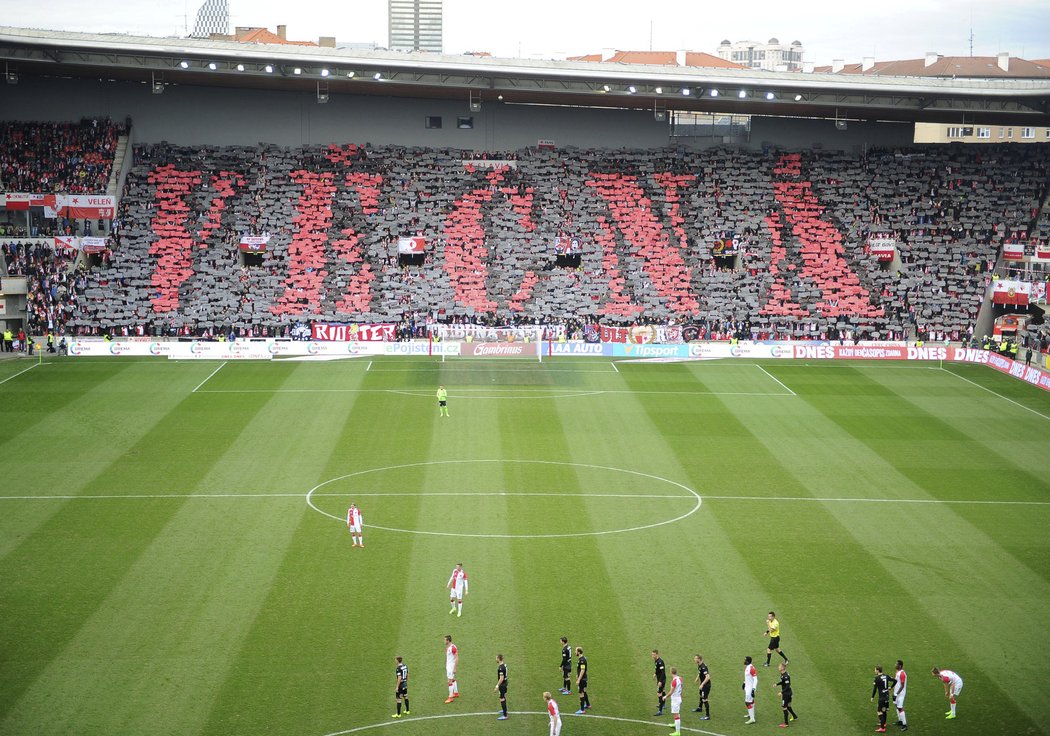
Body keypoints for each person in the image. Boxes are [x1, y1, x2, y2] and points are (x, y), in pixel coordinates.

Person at [872, 664, 894, 732]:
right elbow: (895, 681)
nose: (874, 671)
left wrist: (872, 697)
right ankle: (883, 723)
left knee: (879, 712)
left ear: (878, 670)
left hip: (881, 698)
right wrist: (891, 687)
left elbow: (875, 689)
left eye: (875, 669)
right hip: (886, 697)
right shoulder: (886, 676)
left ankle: (882, 728)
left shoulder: (877, 678)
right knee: (884, 711)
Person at [662, 666, 683, 735]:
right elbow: (681, 687)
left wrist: (665, 697)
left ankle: (677, 732)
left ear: (671, 672)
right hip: (678, 697)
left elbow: (671, 692)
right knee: (676, 713)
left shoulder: (674, 681)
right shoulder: (680, 678)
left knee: (676, 714)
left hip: (675, 699)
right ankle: (675, 724)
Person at [775, 662, 797, 728]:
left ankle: (786, 723)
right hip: (788, 693)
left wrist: (781, 692)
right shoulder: (782, 674)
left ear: (782, 668)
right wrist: (777, 684)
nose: (778, 667)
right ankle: (795, 716)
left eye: (779, 666)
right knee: (788, 706)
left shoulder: (786, 676)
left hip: (786, 694)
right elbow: (783, 682)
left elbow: (788, 686)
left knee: (784, 707)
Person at [693, 654, 711, 719]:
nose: (694, 660)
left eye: (695, 658)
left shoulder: (703, 667)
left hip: (706, 685)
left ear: (699, 659)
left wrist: (702, 684)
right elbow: (700, 672)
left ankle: (707, 715)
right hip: (703, 684)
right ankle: (700, 708)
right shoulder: (700, 665)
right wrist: (697, 678)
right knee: (701, 694)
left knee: (704, 699)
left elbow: (708, 677)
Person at [575, 646, 590, 714]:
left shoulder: (582, 660)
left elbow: (582, 670)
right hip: (583, 678)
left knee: (581, 693)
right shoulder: (581, 659)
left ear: (578, 652)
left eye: (576, 651)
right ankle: (588, 704)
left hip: (582, 680)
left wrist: (578, 679)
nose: (575, 652)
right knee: (584, 691)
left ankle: (582, 710)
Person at [893, 660, 908, 731]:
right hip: (896, 692)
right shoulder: (898, 672)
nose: (895, 665)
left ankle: (904, 724)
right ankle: (900, 720)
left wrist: (896, 694)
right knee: (896, 705)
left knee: (900, 707)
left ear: (900, 666)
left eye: (896, 664)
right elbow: (896, 681)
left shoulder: (902, 674)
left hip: (900, 694)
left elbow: (902, 685)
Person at [444, 635, 459, 703]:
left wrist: (454, 668)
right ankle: (456, 693)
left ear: (448, 641)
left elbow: (457, 658)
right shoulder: (448, 647)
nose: (444, 641)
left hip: (451, 667)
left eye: (445, 640)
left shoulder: (453, 648)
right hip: (449, 666)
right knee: (452, 679)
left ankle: (450, 697)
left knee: (449, 681)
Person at [743, 655, 758, 724]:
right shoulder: (747, 667)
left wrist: (753, 689)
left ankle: (752, 718)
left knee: (747, 702)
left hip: (750, 689)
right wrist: (744, 683)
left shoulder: (751, 668)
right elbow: (747, 677)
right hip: (747, 687)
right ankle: (751, 714)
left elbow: (755, 679)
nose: (744, 661)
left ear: (748, 661)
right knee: (751, 701)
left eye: (745, 660)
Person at [652, 649, 667, 716]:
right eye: (652, 654)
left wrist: (660, 681)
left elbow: (663, 672)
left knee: (659, 693)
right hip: (660, 679)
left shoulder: (660, 662)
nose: (652, 656)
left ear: (657, 654)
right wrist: (655, 673)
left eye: (654, 654)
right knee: (662, 691)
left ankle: (660, 711)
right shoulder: (656, 661)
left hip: (662, 679)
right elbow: (657, 669)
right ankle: (663, 704)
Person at [495, 653, 509, 720]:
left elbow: (501, 678)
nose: (495, 659)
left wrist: (497, 686)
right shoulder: (505, 665)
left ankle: (505, 715)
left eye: (496, 658)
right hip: (506, 683)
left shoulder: (500, 668)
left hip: (502, 685)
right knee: (503, 696)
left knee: (502, 698)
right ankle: (505, 711)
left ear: (498, 659)